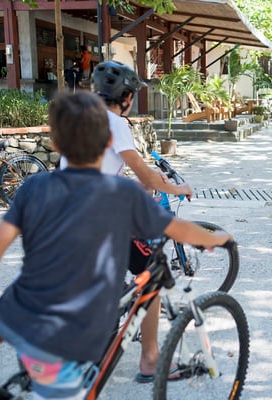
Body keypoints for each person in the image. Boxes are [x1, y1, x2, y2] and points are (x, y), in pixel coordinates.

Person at [0, 91, 232, 399]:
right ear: (108, 143)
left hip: (18, 315)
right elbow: (181, 231)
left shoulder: (34, 187)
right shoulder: (123, 193)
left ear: (56, 145)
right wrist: (217, 238)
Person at [59, 60, 193, 383]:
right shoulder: (116, 124)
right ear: (127, 97)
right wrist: (178, 188)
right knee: (153, 273)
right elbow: (146, 175)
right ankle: (150, 361)